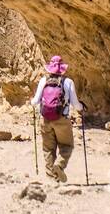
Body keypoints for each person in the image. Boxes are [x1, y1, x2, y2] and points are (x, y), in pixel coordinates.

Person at [31, 54, 82, 182]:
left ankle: (51, 177)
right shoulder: (68, 82)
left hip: (45, 119)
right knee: (66, 146)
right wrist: (82, 108)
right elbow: (76, 104)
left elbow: (35, 101)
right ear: (62, 69)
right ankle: (59, 165)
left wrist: (34, 104)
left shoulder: (43, 81)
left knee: (48, 148)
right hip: (62, 120)